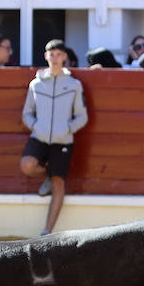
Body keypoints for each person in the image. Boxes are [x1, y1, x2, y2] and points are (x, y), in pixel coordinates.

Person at [21, 39, 89, 237]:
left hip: (63, 140)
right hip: (40, 136)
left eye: (59, 54)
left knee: (59, 182)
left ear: (64, 57)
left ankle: (46, 232)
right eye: (52, 54)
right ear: (46, 56)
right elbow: (27, 113)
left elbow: (82, 115)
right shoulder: (36, 84)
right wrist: (36, 126)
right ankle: (48, 176)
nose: (55, 58)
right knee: (27, 165)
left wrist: (67, 129)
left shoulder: (74, 84)